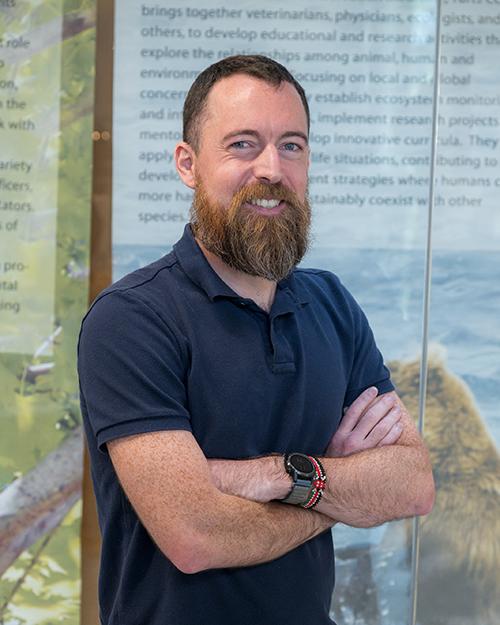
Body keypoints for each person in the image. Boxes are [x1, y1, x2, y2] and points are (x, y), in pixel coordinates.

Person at [78, 55, 434, 625]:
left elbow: (411, 485)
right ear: (187, 164)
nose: (271, 168)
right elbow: (195, 536)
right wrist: (334, 488)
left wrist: (279, 475)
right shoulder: (131, 320)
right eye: (243, 144)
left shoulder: (333, 306)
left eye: (291, 145)